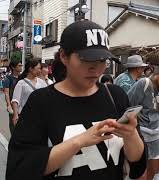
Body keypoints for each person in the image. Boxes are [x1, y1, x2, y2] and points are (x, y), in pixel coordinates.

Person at [6, 20, 147, 180]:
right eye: (86, 59)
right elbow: (20, 168)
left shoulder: (115, 95)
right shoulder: (41, 101)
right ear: (64, 56)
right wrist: (79, 141)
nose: (95, 68)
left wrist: (131, 135)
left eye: (102, 60)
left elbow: (137, 164)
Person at [127, 61, 159, 180]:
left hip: (156, 131)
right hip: (141, 131)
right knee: (139, 172)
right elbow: (129, 105)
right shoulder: (143, 83)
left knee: (154, 170)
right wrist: (133, 131)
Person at [11, 59, 47, 127]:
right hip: (25, 117)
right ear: (30, 69)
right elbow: (15, 100)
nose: (40, 71)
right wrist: (15, 115)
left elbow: (47, 98)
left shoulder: (42, 82)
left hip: (40, 117)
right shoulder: (21, 83)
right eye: (38, 68)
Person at [3, 59, 22, 134]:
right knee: (13, 124)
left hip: (22, 104)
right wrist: (8, 105)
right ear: (13, 67)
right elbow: (6, 93)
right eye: (19, 66)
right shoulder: (8, 79)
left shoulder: (22, 77)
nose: (21, 67)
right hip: (13, 104)